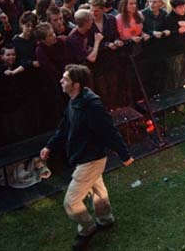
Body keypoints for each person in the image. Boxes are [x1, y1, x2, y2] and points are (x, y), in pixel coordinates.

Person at [40, 64, 134, 251]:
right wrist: (50, 145)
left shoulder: (92, 106)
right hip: (83, 156)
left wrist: (124, 155)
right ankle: (105, 219)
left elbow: (109, 131)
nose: (61, 81)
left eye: (65, 79)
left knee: (71, 202)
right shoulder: (74, 100)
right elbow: (64, 127)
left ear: (75, 84)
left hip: (91, 159)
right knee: (98, 190)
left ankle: (87, 227)